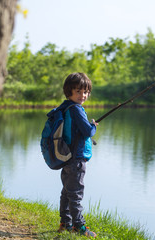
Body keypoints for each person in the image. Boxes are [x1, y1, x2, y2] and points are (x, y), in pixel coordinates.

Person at [56, 72, 98, 237]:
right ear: (69, 92)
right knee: (76, 193)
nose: (83, 95)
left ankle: (65, 223)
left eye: (86, 91)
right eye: (78, 91)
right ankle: (79, 227)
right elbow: (88, 131)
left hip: (67, 158)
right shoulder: (77, 109)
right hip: (76, 160)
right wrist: (93, 125)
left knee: (67, 191)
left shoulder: (65, 107)